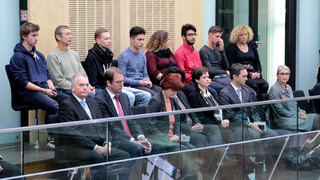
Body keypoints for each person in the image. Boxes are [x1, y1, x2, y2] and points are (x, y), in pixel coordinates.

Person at [58, 74, 130, 163]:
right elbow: (73, 134)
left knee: (124, 156)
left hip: (98, 144)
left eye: (87, 85)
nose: (85, 88)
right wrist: (95, 147)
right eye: (81, 85)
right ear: (72, 88)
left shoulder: (93, 102)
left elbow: (103, 125)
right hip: (78, 147)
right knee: (99, 158)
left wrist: (106, 142)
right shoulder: (67, 105)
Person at [9, 22, 67, 126]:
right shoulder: (17, 57)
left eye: (37, 35)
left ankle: (66, 135)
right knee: (54, 105)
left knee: (68, 101)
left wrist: (52, 88)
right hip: (27, 93)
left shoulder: (39, 55)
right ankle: (53, 137)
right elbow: (23, 83)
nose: (36, 38)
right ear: (24, 36)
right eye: (33, 35)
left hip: (44, 89)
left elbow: (47, 75)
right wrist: (44, 90)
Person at [82, 27, 151, 106]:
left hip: (113, 85)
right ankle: (124, 117)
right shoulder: (92, 57)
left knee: (147, 96)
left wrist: (147, 81)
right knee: (130, 96)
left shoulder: (108, 54)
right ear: (98, 41)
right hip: (104, 87)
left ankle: (136, 117)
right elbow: (93, 81)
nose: (109, 41)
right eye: (106, 39)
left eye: (110, 38)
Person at [95, 67, 154, 157]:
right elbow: (111, 127)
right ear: (108, 83)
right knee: (138, 149)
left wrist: (141, 137)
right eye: (118, 82)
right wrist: (132, 140)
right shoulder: (100, 100)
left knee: (152, 145)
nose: (122, 85)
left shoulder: (124, 96)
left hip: (131, 137)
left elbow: (132, 120)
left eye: (122, 81)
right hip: (116, 138)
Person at [146, 73, 209, 149]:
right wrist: (168, 137)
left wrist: (179, 134)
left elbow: (177, 121)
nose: (175, 93)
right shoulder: (156, 101)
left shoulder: (173, 100)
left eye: (176, 91)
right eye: (173, 90)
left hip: (175, 137)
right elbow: (150, 127)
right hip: (163, 138)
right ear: (166, 87)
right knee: (186, 149)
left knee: (194, 147)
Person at [219, 63, 277, 142]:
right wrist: (249, 124)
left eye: (246, 76)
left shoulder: (247, 90)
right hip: (238, 126)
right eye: (244, 76)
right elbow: (231, 116)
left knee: (274, 135)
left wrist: (258, 123)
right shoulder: (224, 93)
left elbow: (253, 110)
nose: (246, 79)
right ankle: (253, 154)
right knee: (255, 136)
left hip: (252, 123)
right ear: (234, 77)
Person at [174, 23, 224, 96]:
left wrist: (206, 78)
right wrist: (199, 79)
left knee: (224, 89)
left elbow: (201, 70)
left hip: (200, 80)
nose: (193, 37)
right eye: (190, 35)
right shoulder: (179, 53)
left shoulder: (196, 52)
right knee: (213, 92)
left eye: (194, 34)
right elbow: (182, 74)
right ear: (183, 37)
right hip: (190, 82)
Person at [47, 25, 95, 97]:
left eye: (71, 34)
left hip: (80, 87)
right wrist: (79, 87)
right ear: (58, 37)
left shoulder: (74, 54)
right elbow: (58, 81)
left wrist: (89, 86)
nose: (71, 36)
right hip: (66, 90)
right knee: (90, 96)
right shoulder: (53, 56)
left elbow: (83, 74)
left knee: (101, 94)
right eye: (67, 34)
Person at [268, 65, 320, 131]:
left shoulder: (289, 87)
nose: (285, 76)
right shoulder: (274, 89)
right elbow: (280, 111)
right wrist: (298, 114)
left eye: (287, 74)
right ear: (277, 75)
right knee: (315, 120)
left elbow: (293, 104)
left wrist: (301, 111)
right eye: (282, 74)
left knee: (316, 117)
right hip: (283, 120)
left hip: (294, 116)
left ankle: (314, 139)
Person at [226, 25, 268, 101]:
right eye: (241, 35)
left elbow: (257, 62)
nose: (244, 37)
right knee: (254, 86)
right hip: (241, 74)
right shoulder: (232, 47)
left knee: (265, 85)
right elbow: (231, 65)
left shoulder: (251, 46)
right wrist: (249, 74)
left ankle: (263, 106)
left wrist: (258, 72)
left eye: (246, 34)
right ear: (236, 36)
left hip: (254, 73)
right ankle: (256, 107)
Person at [118, 26, 161, 96]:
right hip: (132, 86)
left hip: (143, 84)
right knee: (155, 96)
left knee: (163, 92)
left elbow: (145, 73)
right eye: (139, 40)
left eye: (143, 39)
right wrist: (140, 82)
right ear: (131, 40)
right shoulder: (124, 56)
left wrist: (147, 80)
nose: (142, 42)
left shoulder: (142, 55)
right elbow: (123, 78)